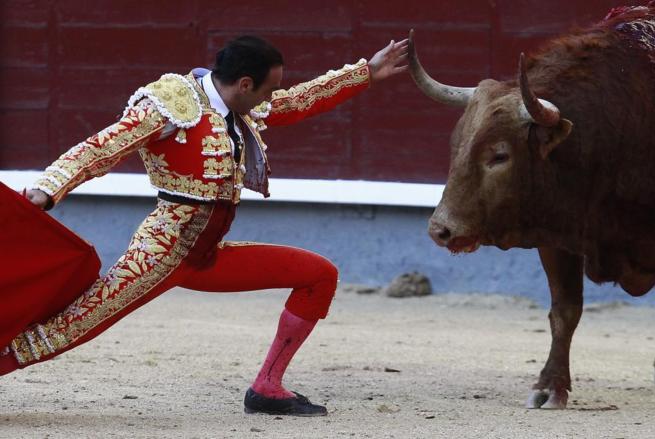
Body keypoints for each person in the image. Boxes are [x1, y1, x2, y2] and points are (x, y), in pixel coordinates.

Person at [0, 35, 407, 416]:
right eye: (266, 90)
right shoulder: (169, 106)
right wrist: (48, 188)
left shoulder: (239, 105)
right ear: (244, 84)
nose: (270, 99)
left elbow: (296, 101)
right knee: (63, 332)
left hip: (206, 256)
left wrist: (366, 73)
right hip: (160, 253)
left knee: (319, 275)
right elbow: (102, 146)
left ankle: (267, 388)